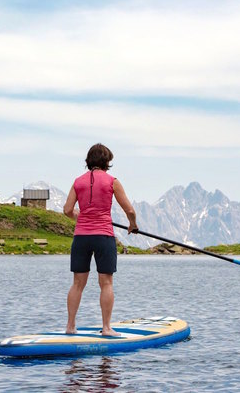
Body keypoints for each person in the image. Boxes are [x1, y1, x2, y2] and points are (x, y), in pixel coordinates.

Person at [63, 143, 137, 336]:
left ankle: (70, 326)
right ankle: (106, 328)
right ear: (107, 161)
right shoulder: (112, 181)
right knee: (106, 283)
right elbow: (129, 210)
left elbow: (67, 210)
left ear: (89, 161)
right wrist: (133, 225)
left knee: (77, 283)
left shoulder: (78, 181)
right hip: (103, 235)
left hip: (81, 237)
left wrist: (80, 216)